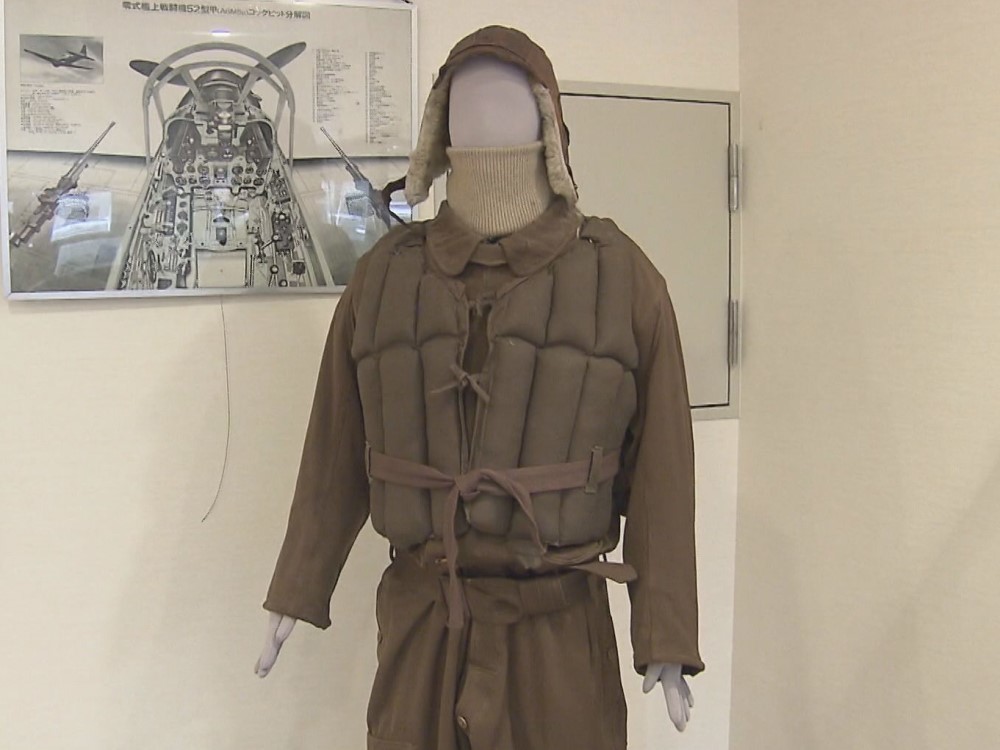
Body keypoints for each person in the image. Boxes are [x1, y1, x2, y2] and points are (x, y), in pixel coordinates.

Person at [257, 25, 703, 750]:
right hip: (422, 629)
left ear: (549, 125)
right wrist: (298, 587)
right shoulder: (384, 278)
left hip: (559, 642)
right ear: (438, 130)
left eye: (507, 97)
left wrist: (666, 634)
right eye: (464, 100)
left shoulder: (622, 279)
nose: (484, 113)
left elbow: (664, 476)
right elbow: (334, 452)